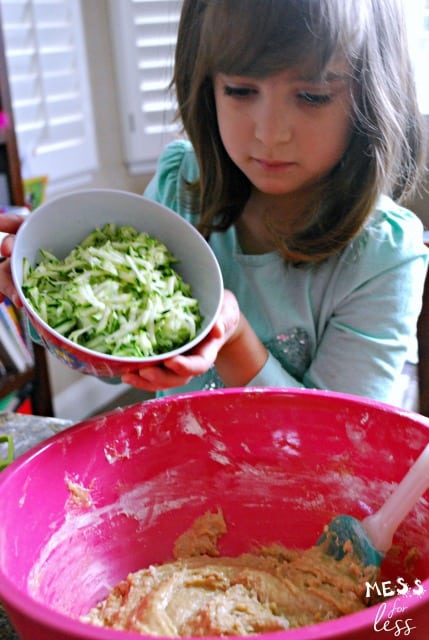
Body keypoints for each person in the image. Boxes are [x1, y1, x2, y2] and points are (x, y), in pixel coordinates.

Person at [0, 0, 428, 409]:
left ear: (372, 95)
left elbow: (334, 440)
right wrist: (47, 288)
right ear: (207, 86)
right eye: (241, 89)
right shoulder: (179, 184)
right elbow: (119, 368)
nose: (270, 133)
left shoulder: (385, 256)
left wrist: (234, 340)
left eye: (312, 96)